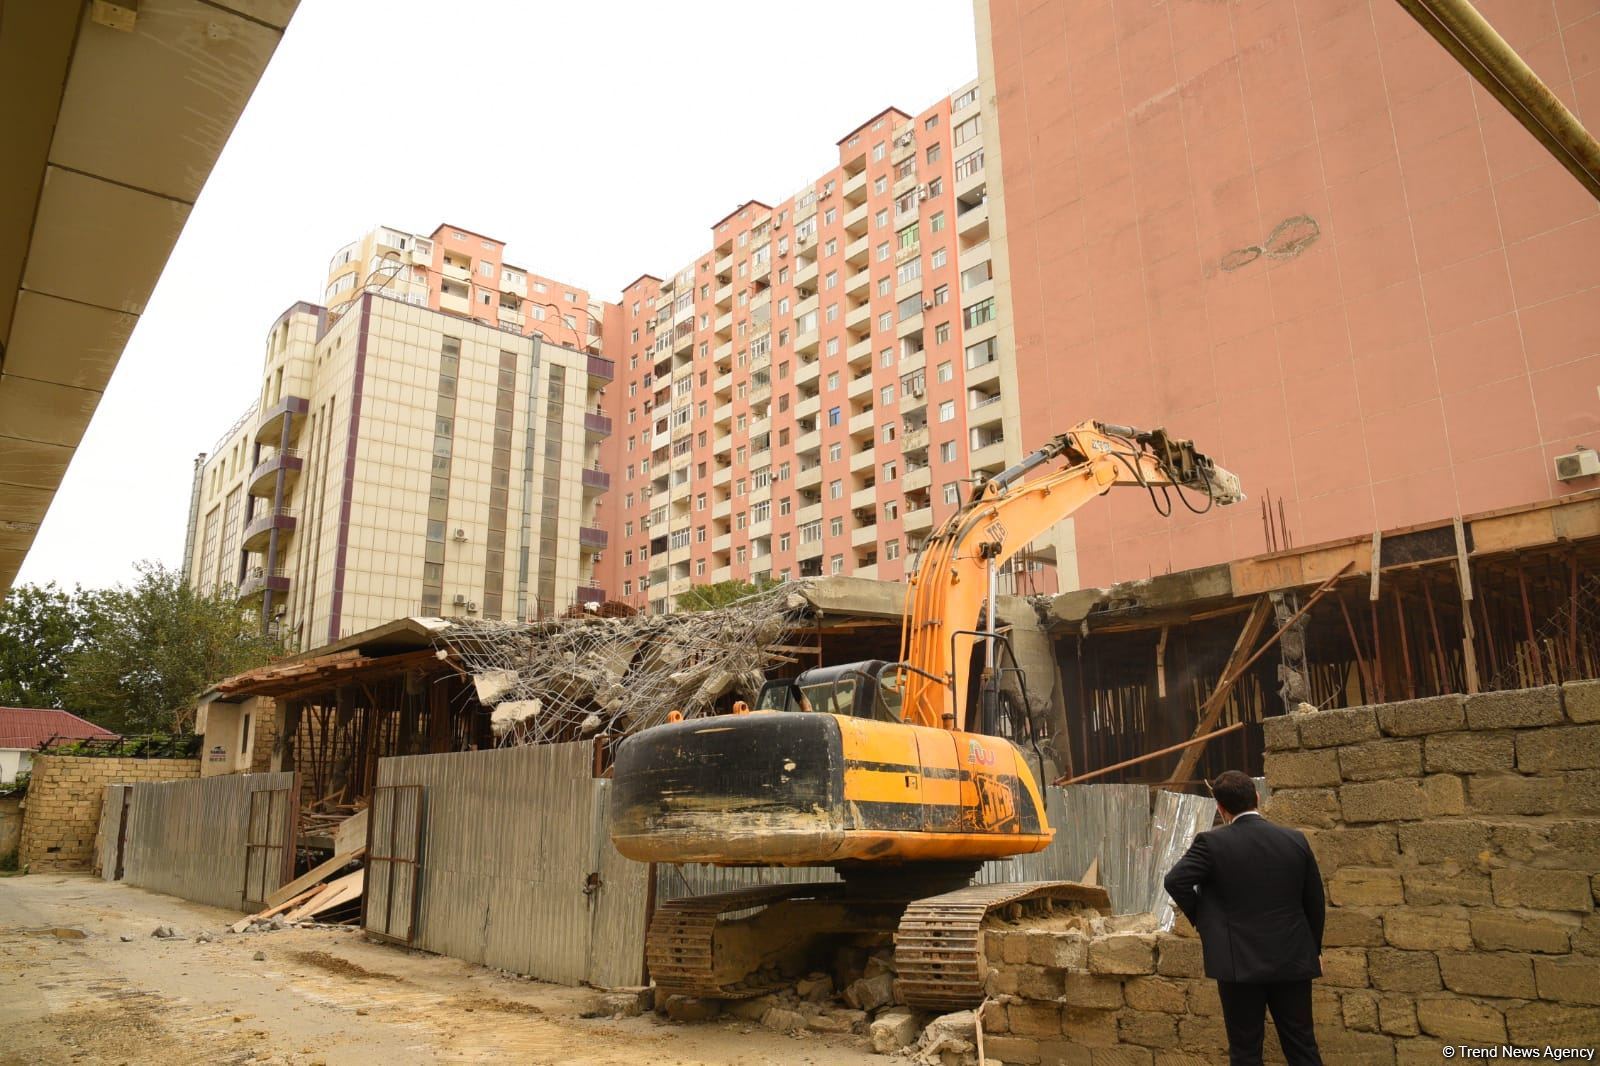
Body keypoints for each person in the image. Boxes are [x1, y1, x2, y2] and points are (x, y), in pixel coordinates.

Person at [1163, 770, 1325, 1066]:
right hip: (1293, 958)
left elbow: (1175, 880)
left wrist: (1204, 919)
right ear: (1257, 798)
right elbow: (1314, 901)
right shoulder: (1295, 840)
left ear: (1221, 809)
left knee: (1245, 1050)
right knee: (1302, 1045)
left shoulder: (1211, 844)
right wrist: (1314, 949)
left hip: (1238, 963)